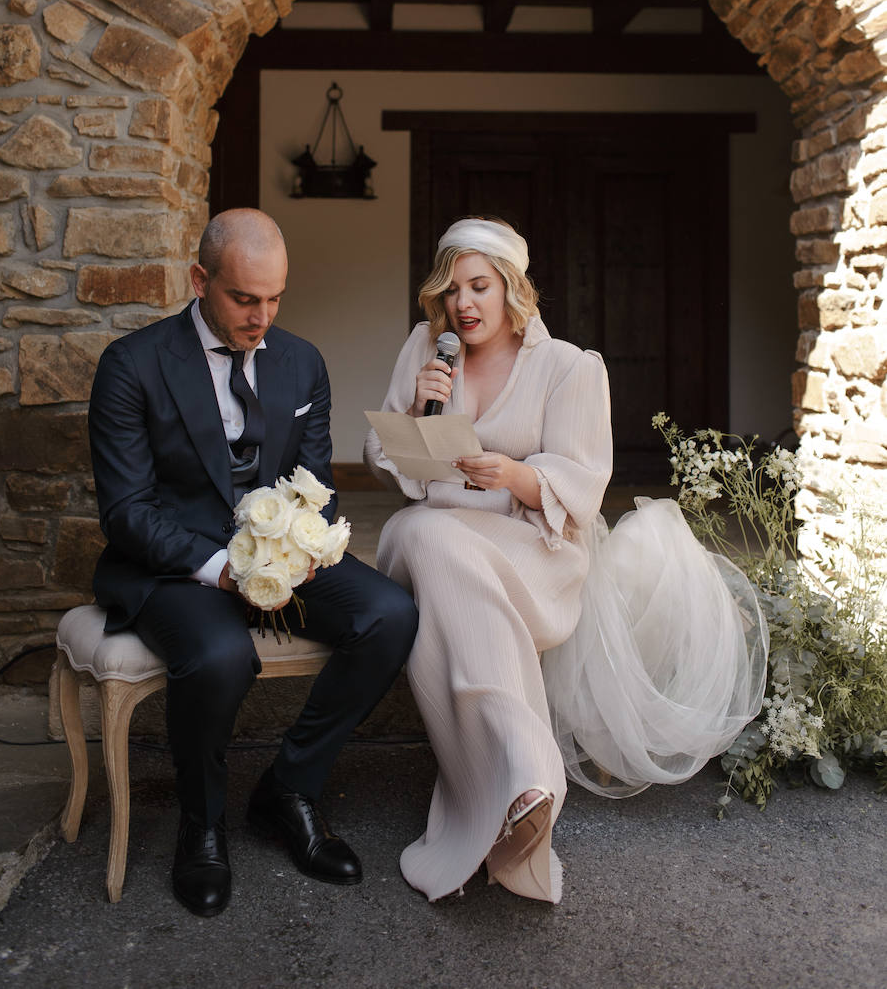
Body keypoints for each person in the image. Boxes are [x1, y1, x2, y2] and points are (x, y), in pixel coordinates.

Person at [365, 217, 767, 904]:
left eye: (481, 286)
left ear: (512, 289)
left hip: (531, 547)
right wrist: (420, 407)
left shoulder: (568, 367)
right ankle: (526, 771)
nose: (464, 303)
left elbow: (585, 482)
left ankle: (515, 785)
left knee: (444, 557)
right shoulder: (428, 350)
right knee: (426, 534)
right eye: (454, 288)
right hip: (433, 526)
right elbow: (383, 458)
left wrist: (514, 476)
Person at [89, 208, 418, 917]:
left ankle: (289, 789)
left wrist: (303, 547)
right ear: (200, 279)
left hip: (279, 556)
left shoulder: (301, 362)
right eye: (244, 298)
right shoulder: (133, 364)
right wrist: (224, 570)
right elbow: (126, 512)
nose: (261, 316)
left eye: (274, 299)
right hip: (176, 563)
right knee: (219, 656)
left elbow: (313, 484)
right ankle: (202, 825)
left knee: (390, 614)